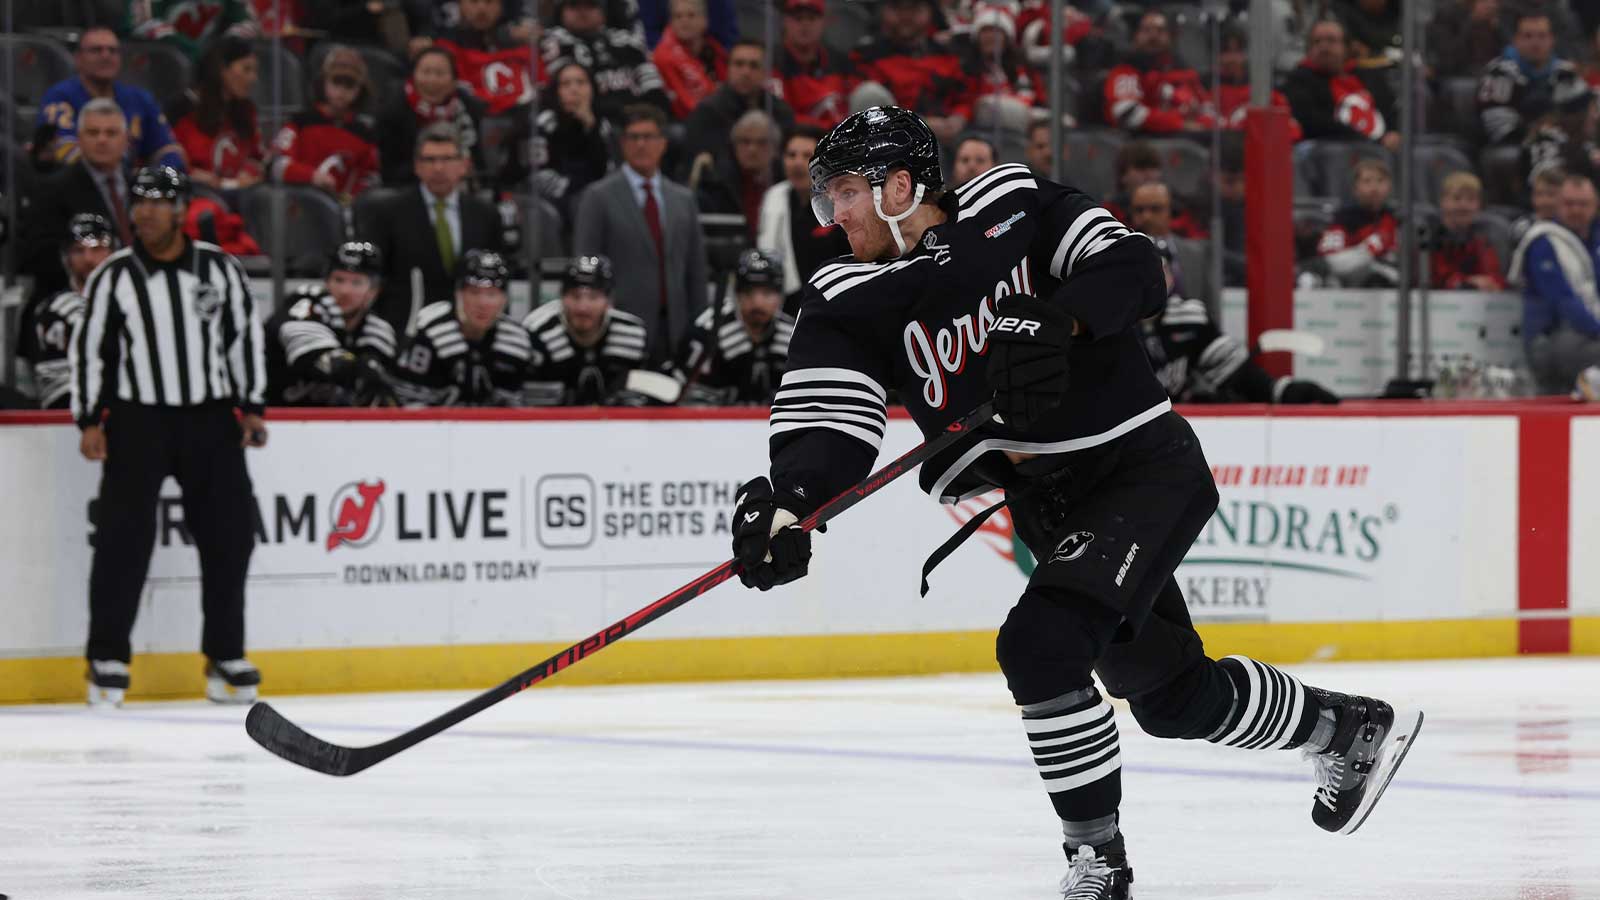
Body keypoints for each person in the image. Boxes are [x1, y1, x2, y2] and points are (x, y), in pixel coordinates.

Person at [729, 106, 1419, 897]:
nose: (833, 215)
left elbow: (1133, 267)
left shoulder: (1013, 206)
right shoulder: (844, 295)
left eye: (845, 192)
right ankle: (1344, 726)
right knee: (1169, 697)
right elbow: (828, 418)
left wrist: (1061, 317)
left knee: (1040, 646)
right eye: (827, 198)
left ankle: (1097, 862)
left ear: (898, 185)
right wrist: (792, 501)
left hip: (1139, 466)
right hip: (1047, 504)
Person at [68, 166, 267, 708]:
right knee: (121, 541)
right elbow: (92, 349)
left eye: (158, 202)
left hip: (209, 419)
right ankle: (108, 657)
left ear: (181, 210)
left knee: (230, 537)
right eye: (139, 202)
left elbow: (243, 337)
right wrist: (88, 418)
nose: (147, 212)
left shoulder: (219, 270)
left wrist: (250, 406)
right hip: (138, 421)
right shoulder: (115, 275)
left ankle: (226, 654)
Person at [573, 104, 709, 362]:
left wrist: (699, 324)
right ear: (622, 143)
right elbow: (586, 267)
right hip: (618, 330)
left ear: (663, 143)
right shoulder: (598, 197)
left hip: (675, 330)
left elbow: (696, 271)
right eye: (633, 137)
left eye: (648, 137)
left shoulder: (683, 199)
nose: (641, 145)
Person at [360, 123, 507, 332]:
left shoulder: (485, 214)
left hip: (468, 332)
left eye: (447, 159)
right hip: (407, 329)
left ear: (464, 165)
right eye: (429, 160)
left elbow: (497, 280)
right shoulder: (388, 213)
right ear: (416, 166)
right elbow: (374, 279)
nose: (438, 168)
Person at [1144, 250, 1339, 405]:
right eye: (1142, 272)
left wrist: (1282, 390)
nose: (1151, 281)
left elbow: (1238, 373)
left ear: (1172, 277)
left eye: (1161, 271)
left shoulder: (1188, 317)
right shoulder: (1115, 322)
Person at [21, 98, 134, 303]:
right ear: (79, 139)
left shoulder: (137, 186)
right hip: (70, 301)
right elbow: (38, 256)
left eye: (111, 133)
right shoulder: (50, 189)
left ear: (126, 140)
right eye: (93, 133)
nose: (102, 140)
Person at [392, 249, 534, 406]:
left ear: (504, 299)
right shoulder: (431, 332)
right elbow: (408, 405)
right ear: (458, 294)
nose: (483, 303)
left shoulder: (517, 341)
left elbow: (521, 411)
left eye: (492, 294)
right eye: (474, 292)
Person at [265, 241, 399, 406]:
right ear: (327, 282)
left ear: (373, 291)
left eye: (356, 282)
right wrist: (365, 370)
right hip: (272, 419)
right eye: (338, 279)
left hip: (332, 425)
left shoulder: (377, 328)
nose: (345, 291)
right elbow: (322, 362)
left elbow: (379, 383)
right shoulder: (305, 305)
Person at [35, 26, 185, 172]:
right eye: (96, 50)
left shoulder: (139, 98)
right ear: (78, 59)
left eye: (113, 51)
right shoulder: (60, 97)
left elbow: (168, 148)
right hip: (80, 188)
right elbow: (63, 149)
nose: (106, 56)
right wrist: (115, 174)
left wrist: (158, 178)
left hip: (134, 188)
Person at [1509, 172, 1600, 393]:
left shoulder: (1595, 241)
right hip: (1552, 338)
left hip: (1588, 335)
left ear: (1595, 205)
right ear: (1558, 205)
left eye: (1583, 204)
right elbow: (1563, 302)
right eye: (1569, 204)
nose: (1576, 210)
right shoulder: (1543, 242)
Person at [523, 255, 655, 405]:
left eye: (593, 297)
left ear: (609, 300)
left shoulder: (633, 335)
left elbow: (651, 395)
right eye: (575, 296)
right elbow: (526, 401)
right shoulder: (539, 331)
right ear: (561, 297)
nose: (583, 307)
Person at [16, 214, 114, 410]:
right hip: (69, 423)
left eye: (97, 249)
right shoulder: (53, 312)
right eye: (79, 250)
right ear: (65, 257)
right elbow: (57, 392)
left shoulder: (134, 304)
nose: (88, 258)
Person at [677, 248, 794, 405]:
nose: (757, 303)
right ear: (737, 294)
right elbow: (687, 398)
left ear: (780, 296)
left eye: (767, 293)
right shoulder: (708, 331)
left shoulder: (794, 335)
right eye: (749, 293)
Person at [756, 125, 851, 309]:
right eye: (791, 155)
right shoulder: (773, 199)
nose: (797, 163)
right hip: (786, 305)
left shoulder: (841, 201)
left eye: (807, 155)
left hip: (834, 301)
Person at [851, 0, 972, 145]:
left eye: (914, 8)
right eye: (897, 8)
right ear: (883, 11)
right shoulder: (867, 56)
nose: (906, 16)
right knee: (869, 93)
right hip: (893, 142)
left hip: (948, 139)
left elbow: (965, 95)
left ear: (929, 12)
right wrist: (919, 122)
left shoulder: (947, 55)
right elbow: (872, 106)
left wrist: (959, 117)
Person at [270, 46, 381, 201]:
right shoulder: (300, 122)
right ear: (324, 82)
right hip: (296, 205)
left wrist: (352, 198)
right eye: (336, 82)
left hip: (342, 211)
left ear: (359, 90)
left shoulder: (364, 134)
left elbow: (369, 179)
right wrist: (312, 176)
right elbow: (276, 166)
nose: (341, 91)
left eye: (349, 84)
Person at [541, 0, 671, 123]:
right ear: (562, 11)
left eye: (590, 6)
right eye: (574, 6)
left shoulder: (626, 42)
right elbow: (568, 96)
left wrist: (650, 115)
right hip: (589, 123)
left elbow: (654, 89)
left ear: (602, 11)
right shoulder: (555, 43)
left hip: (637, 121)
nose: (582, 12)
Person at [1283, 19, 1402, 151]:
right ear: (1309, 50)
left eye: (1331, 40)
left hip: (1382, 152)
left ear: (1346, 48)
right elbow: (1314, 123)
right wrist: (1371, 142)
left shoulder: (1368, 76)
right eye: (1317, 42)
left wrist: (1394, 132)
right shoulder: (1299, 81)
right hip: (1332, 155)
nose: (1324, 47)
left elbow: (1391, 110)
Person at [376, 47, 487, 187]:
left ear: (454, 82)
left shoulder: (469, 108)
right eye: (425, 72)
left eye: (440, 73)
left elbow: (480, 162)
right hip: (409, 188)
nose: (432, 80)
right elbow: (389, 171)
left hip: (463, 185)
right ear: (413, 76)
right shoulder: (393, 111)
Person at [520, 60, 616, 222]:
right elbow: (536, 175)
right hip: (558, 196)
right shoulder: (541, 123)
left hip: (596, 193)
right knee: (585, 205)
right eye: (566, 84)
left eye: (581, 82)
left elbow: (609, 167)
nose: (574, 89)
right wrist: (583, 190)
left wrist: (590, 127)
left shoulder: (602, 124)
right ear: (556, 91)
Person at [167, 37, 265, 195]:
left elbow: (257, 158)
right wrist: (191, 174)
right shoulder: (181, 109)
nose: (254, 78)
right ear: (222, 69)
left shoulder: (246, 110)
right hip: (195, 196)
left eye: (255, 71)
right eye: (246, 69)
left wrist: (248, 172)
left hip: (242, 195)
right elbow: (167, 162)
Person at [683, 41, 797, 170]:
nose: (746, 72)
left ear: (766, 72)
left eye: (754, 66)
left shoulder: (780, 112)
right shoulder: (707, 113)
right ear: (728, 69)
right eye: (739, 64)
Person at [1478, 12, 1586, 146]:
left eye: (1542, 36)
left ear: (1552, 40)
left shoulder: (1565, 71)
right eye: (1528, 36)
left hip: (1565, 141)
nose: (1535, 43)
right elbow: (1499, 128)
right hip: (1519, 142)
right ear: (1516, 40)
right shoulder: (1500, 72)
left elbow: (1581, 115)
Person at [1102, 9, 1213, 134]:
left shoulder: (1186, 73)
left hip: (1193, 141)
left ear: (1171, 37)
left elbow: (1209, 109)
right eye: (1146, 30)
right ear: (1135, 37)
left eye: (1160, 31)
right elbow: (1125, 113)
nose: (1153, 36)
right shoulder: (1125, 72)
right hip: (1146, 144)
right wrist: (1179, 124)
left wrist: (1203, 124)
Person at [431, 0, 542, 116]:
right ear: (460, 6)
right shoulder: (446, 48)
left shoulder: (525, 43)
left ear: (501, 7)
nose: (482, 9)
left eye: (489, 2)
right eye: (474, 2)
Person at [1306, 157, 1400, 288]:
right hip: (1349, 287)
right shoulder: (1343, 220)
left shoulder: (1398, 219)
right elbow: (1329, 260)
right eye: (1367, 181)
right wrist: (1368, 251)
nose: (1374, 187)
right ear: (1355, 188)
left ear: (1389, 186)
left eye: (1380, 180)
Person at [959, 1, 1045, 132]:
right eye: (985, 31)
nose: (990, 36)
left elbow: (1035, 97)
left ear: (1006, 37)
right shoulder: (967, 68)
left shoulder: (1020, 67)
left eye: (996, 31)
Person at [693, 110, 780, 238]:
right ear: (734, 146)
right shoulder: (714, 187)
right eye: (745, 142)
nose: (752, 149)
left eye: (761, 142)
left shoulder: (786, 185)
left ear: (775, 148)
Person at [771, 0, 853, 131]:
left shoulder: (840, 62)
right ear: (785, 22)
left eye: (812, 18)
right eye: (798, 18)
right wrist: (827, 127)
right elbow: (781, 117)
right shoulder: (772, 61)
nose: (805, 24)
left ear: (824, 22)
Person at [1214, 23, 1302, 141]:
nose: (1232, 59)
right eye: (1226, 52)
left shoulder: (1266, 94)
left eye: (1238, 51)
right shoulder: (1205, 92)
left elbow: (1293, 131)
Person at [1103, 142, 1206, 240]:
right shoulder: (1111, 212)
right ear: (1123, 176)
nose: (1149, 175)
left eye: (1153, 168)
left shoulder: (1178, 207)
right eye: (1141, 168)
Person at [1432, 172, 1508, 291]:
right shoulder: (1431, 237)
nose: (1464, 205)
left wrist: (1491, 283)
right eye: (1457, 198)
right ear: (1443, 201)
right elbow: (1437, 278)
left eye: (1471, 200)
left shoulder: (1480, 238)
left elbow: (1494, 276)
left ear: (1478, 204)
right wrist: (1467, 282)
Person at [1520, 75, 1600, 187]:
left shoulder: (1585, 142)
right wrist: (1587, 160)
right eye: (1592, 110)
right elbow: (1548, 184)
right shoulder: (1546, 139)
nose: (1596, 117)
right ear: (1576, 116)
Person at [654, 0, 727, 119]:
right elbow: (686, 104)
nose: (684, 20)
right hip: (686, 119)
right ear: (671, 23)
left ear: (704, 21)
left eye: (691, 15)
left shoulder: (714, 49)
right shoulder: (663, 56)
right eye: (678, 16)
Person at [124, 0, 261, 60]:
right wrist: (192, 50)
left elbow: (247, 23)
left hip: (211, 72)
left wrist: (222, 50)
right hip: (158, 69)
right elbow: (144, 24)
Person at [1428, 0, 1509, 80]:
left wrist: (1498, 28)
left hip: (1491, 71)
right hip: (1459, 73)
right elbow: (1448, 57)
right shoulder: (1448, 15)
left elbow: (1510, 49)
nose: (1488, 5)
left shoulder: (1496, 20)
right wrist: (1472, 20)